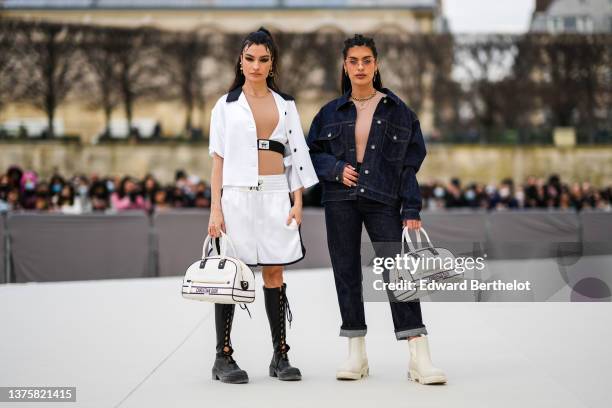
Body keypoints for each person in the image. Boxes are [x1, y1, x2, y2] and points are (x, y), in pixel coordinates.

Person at [307, 34, 446, 384]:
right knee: (346, 271)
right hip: (340, 200)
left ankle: (419, 355)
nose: (359, 67)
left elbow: (409, 165)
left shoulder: (399, 112)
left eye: (366, 60)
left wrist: (411, 208)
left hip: (384, 199)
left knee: (399, 273)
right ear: (345, 65)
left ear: (376, 64)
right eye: (353, 61)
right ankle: (356, 354)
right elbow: (310, 155)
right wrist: (336, 169)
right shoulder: (328, 113)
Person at [206, 27, 318, 384]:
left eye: (263, 59)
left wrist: (297, 200)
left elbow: (295, 155)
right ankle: (223, 357)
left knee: (275, 273)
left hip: (274, 197)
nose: (256, 66)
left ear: (272, 63)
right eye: (250, 58)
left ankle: (280, 356)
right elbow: (218, 161)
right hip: (236, 196)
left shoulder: (285, 104)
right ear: (240, 61)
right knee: (230, 276)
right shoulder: (224, 106)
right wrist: (215, 209)